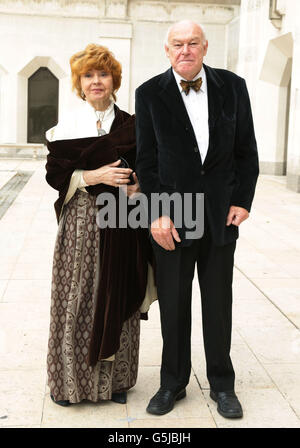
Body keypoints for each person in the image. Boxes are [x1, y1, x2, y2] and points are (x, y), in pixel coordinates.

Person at [135, 20, 259, 419]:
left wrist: (243, 200)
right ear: (166, 51)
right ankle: (172, 382)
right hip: (172, 216)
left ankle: (223, 384)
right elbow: (147, 162)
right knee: (173, 304)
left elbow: (246, 149)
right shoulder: (149, 94)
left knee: (218, 304)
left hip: (221, 213)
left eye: (192, 43)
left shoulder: (233, 87)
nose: (184, 50)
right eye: (177, 44)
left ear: (205, 48)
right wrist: (156, 213)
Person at [45, 44, 154, 406]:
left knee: (117, 293)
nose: (96, 81)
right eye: (88, 75)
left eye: (103, 74)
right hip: (79, 222)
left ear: (114, 80)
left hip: (122, 221)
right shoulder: (66, 125)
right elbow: (56, 175)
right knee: (75, 298)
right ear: (79, 82)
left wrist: (139, 186)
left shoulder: (131, 125)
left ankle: (116, 383)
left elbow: (148, 172)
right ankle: (69, 385)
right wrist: (94, 175)